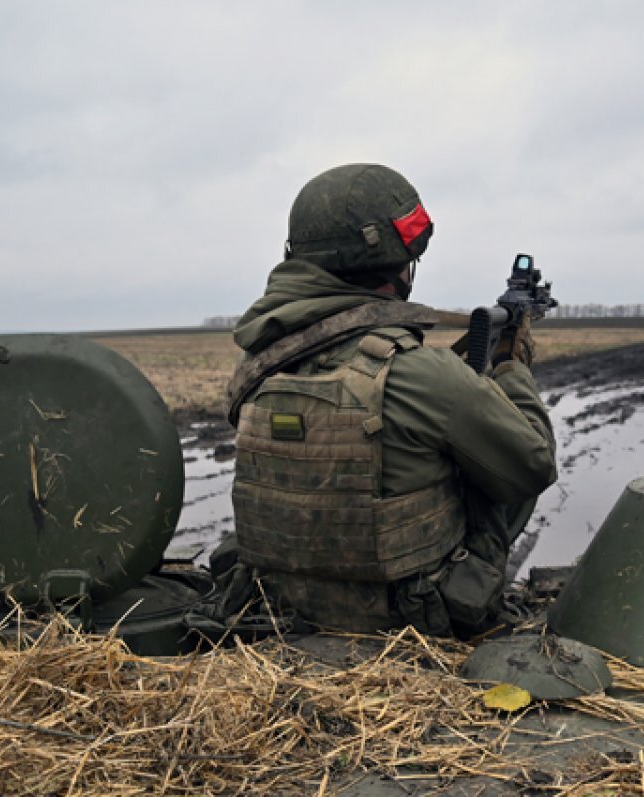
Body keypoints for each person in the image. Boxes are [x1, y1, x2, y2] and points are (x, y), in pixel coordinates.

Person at [225, 163, 557, 637]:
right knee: (497, 462)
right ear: (399, 265)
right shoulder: (425, 373)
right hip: (407, 621)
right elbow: (532, 466)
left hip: (278, 608)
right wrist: (511, 369)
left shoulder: (259, 359)